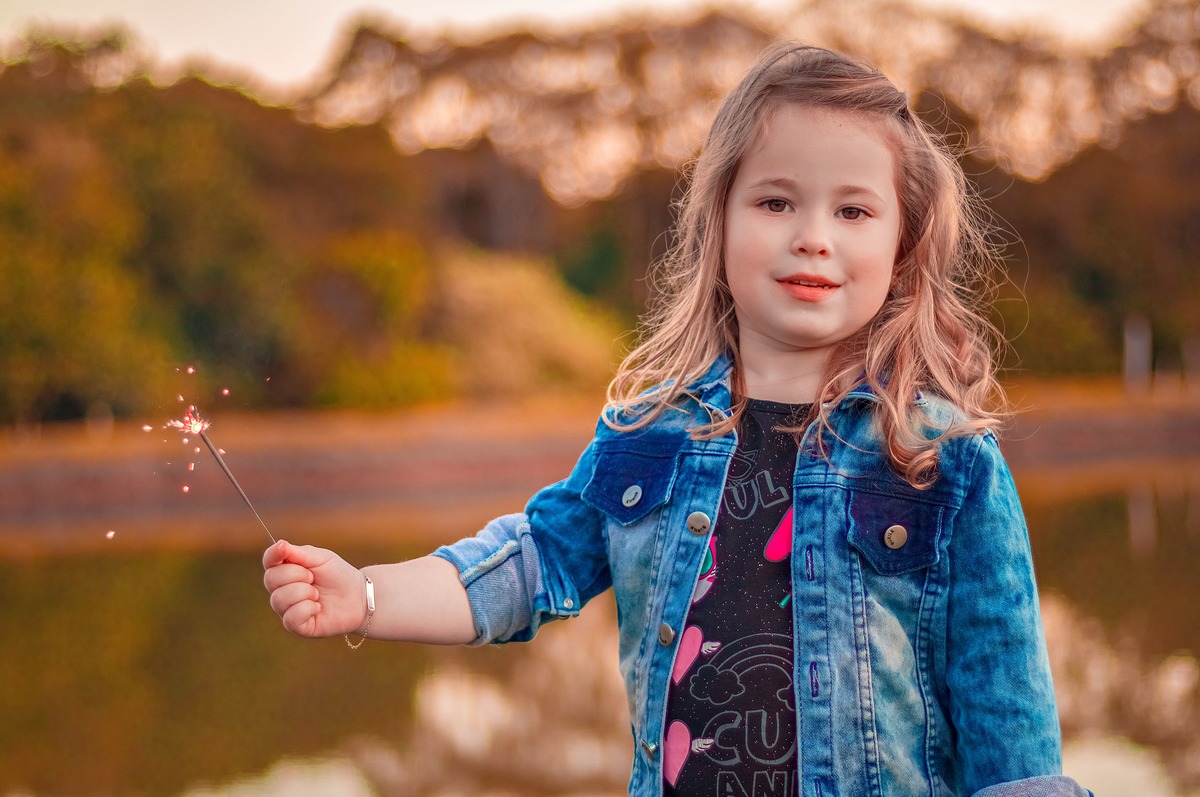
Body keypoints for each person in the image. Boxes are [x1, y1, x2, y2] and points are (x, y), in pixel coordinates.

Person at [263, 43, 1091, 797]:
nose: (812, 237)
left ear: (903, 246)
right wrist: (365, 594)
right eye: (776, 201)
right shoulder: (649, 436)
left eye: (853, 211)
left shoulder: (945, 461)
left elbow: (1013, 742)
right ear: (717, 224)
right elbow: (527, 565)